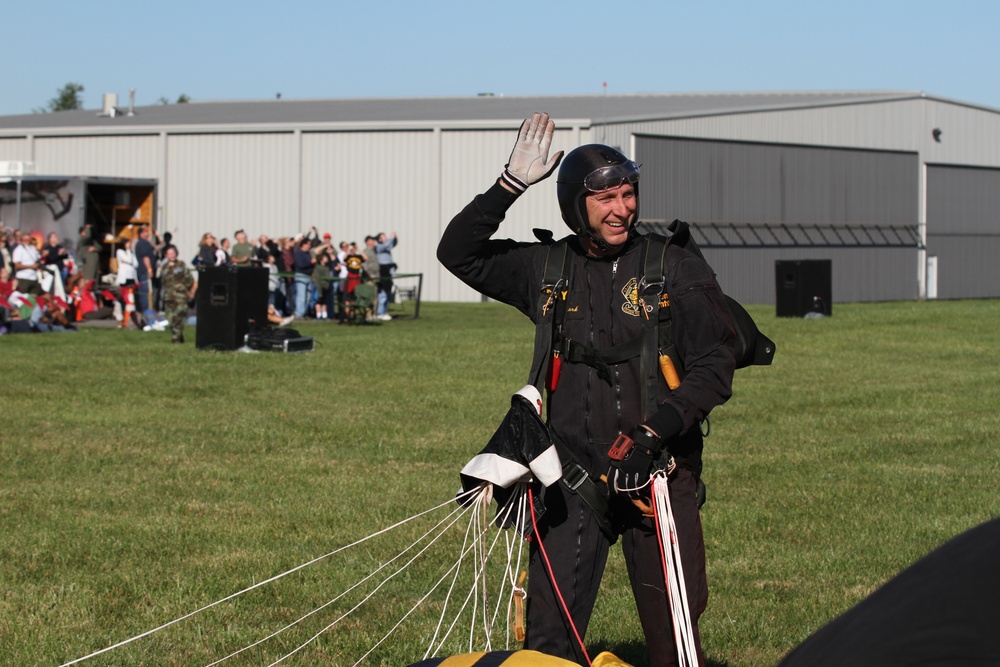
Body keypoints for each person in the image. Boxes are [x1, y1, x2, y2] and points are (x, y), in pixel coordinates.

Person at [437, 113, 737, 666]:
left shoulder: (673, 267)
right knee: (547, 648)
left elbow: (717, 362)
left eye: (628, 194)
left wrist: (654, 434)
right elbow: (459, 253)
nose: (622, 208)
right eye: (605, 198)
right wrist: (510, 184)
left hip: (657, 476)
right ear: (577, 205)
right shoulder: (548, 268)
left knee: (675, 648)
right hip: (570, 480)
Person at [160, 246, 197, 343]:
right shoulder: (164, 268)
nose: (172, 255)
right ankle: (179, 337)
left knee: (178, 318)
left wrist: (188, 291)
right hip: (169, 297)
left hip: (181, 297)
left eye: (173, 253)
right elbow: (163, 281)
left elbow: (190, 280)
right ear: (166, 255)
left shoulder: (181, 265)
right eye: (170, 253)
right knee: (170, 319)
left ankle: (175, 340)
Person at [374, 231, 398, 320]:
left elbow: (392, 244)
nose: (386, 238)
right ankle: (380, 312)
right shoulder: (378, 246)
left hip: (388, 272)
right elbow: (386, 246)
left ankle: (384, 311)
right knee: (382, 294)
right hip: (382, 272)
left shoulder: (387, 245)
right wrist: (391, 238)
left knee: (388, 293)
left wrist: (395, 238)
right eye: (383, 237)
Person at [134, 225, 156, 319]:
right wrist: (149, 269)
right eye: (145, 232)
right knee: (145, 291)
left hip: (143, 271)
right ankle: (146, 311)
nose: (147, 233)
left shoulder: (145, 242)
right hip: (144, 271)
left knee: (146, 290)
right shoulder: (143, 243)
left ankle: (147, 310)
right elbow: (145, 257)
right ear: (141, 234)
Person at [12, 231, 43, 296]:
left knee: (34, 299)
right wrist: (31, 266)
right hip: (23, 278)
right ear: (21, 240)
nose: (27, 241)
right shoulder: (19, 249)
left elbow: (37, 260)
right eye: (25, 239)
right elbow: (17, 265)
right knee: (24, 299)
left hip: (34, 278)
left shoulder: (33, 249)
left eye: (28, 239)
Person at [292, 237, 315, 318]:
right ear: (303, 245)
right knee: (301, 296)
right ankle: (299, 314)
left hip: (308, 276)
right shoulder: (298, 253)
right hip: (301, 276)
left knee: (308, 296)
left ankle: (304, 313)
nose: (309, 246)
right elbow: (301, 264)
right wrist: (311, 262)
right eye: (308, 244)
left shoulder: (308, 253)